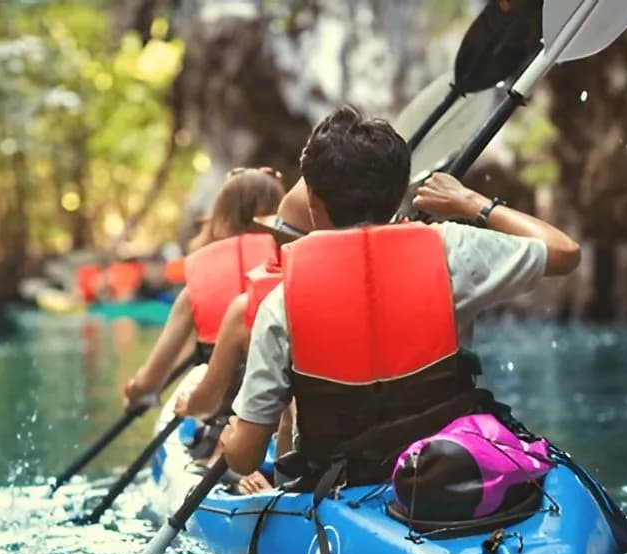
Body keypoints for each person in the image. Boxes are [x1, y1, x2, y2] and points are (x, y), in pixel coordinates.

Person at [219, 106, 581, 487]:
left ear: (312, 201)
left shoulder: (281, 302)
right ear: (398, 192)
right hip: (448, 470)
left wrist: (229, 440)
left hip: (344, 485)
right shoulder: (450, 249)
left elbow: (245, 456)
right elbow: (564, 252)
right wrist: (471, 203)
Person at [121, 168, 283, 410]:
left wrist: (137, 391)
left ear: (220, 217)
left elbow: (150, 381)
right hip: (283, 412)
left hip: (221, 412)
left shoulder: (197, 287)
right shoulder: (294, 268)